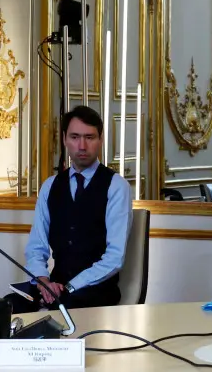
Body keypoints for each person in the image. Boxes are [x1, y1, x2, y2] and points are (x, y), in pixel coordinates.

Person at [13, 106, 132, 312]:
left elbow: (115, 257)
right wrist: (43, 282)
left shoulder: (116, 186)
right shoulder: (50, 186)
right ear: (65, 139)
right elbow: (36, 248)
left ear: (101, 139)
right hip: (53, 286)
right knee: (7, 305)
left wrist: (70, 286)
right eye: (75, 137)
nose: (82, 145)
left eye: (90, 137)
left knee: (66, 308)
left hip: (95, 290)